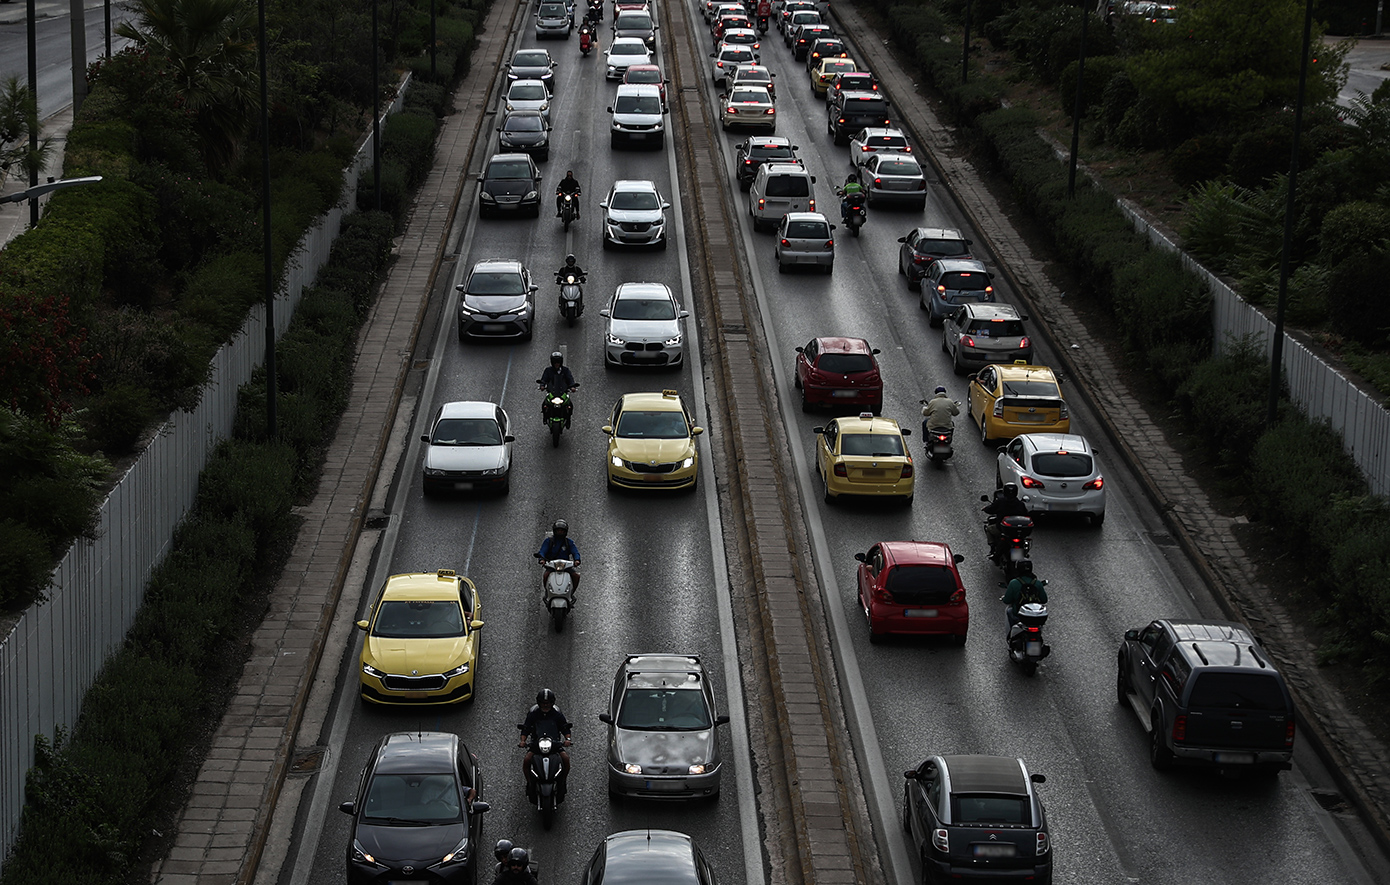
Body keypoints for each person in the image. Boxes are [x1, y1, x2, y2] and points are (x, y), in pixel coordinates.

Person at [518, 688, 573, 798]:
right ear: (539, 703)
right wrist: (523, 741)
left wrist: (567, 739)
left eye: (548, 703)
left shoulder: (557, 715)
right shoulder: (533, 715)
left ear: (552, 703)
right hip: (536, 744)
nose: (545, 705)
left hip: (554, 744)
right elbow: (526, 729)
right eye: (543, 703)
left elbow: (565, 728)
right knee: (527, 761)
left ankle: (562, 781)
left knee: (565, 759)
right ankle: (529, 783)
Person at [1002, 559, 1048, 641]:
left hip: (1018, 615)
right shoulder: (1037, 583)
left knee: (1009, 611)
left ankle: (1011, 636)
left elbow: (1007, 600)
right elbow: (1044, 600)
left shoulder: (1014, 583)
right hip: (1037, 617)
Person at [982, 482, 1029, 556]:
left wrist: (985, 509)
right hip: (1017, 531)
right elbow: (1026, 514)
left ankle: (992, 548)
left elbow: (991, 509)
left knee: (989, 529)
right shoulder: (1020, 504)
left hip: (1002, 530)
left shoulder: (1000, 502)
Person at [535, 519, 581, 592]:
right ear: (554, 531)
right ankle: (547, 592)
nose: (560, 532)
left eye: (562, 531)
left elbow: (575, 552)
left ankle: (571, 593)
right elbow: (542, 551)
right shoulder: (548, 541)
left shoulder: (569, 542)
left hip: (565, 565)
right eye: (558, 530)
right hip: (552, 565)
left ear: (565, 531)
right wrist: (542, 559)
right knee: (546, 575)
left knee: (576, 576)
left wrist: (577, 560)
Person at [539, 350, 577, 426]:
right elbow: (544, 379)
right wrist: (542, 385)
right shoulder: (548, 370)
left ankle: (568, 419)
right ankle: (545, 417)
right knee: (544, 404)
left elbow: (570, 379)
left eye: (558, 362)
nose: (557, 364)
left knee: (570, 405)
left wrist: (572, 386)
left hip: (562, 392)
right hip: (552, 392)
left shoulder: (565, 370)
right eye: (555, 362)